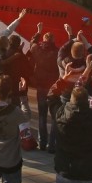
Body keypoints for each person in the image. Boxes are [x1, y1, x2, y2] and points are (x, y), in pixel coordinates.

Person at [28, 23, 61, 152]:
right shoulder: (57, 52)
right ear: (53, 40)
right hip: (52, 87)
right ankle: (52, 145)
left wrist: (38, 31)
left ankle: (42, 143)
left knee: (42, 115)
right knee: (54, 116)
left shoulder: (37, 49)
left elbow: (32, 43)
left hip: (40, 85)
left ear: (44, 39)